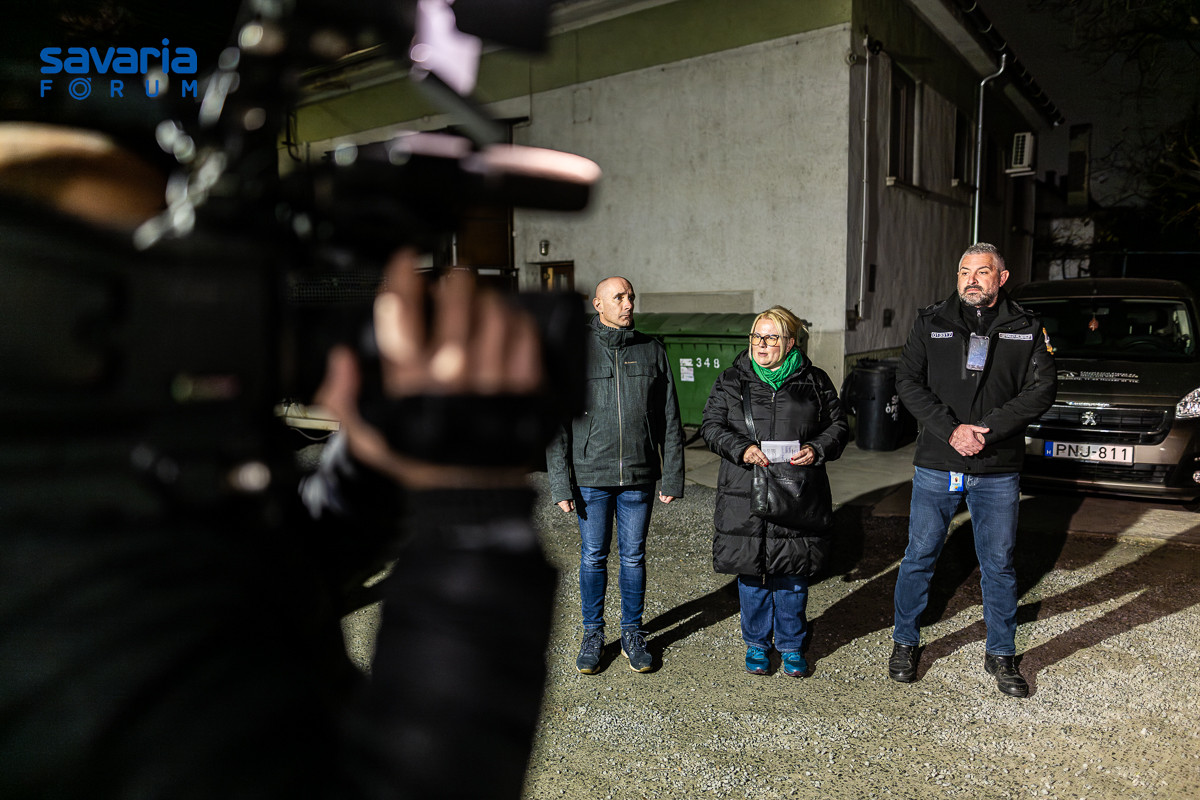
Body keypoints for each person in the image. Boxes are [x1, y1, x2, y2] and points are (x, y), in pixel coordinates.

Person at [889, 242, 1056, 698]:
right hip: (939, 460)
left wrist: (988, 429)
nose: (972, 280)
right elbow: (908, 382)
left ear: (1002, 278)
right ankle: (905, 641)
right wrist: (951, 430)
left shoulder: (1026, 326)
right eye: (965, 271)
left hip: (996, 464)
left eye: (982, 272)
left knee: (998, 563)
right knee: (920, 554)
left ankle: (1001, 652)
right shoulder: (931, 321)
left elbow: (1042, 389)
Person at [545, 276, 685, 674]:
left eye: (631, 297)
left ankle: (632, 634)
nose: (628, 304)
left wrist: (672, 475)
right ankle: (593, 633)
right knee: (593, 556)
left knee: (634, 557)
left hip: (639, 476)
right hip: (591, 477)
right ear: (598, 305)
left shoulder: (651, 350)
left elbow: (670, 418)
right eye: (619, 297)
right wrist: (560, 483)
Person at [700, 305, 848, 676]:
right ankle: (757, 643)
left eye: (771, 337)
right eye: (757, 336)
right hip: (744, 489)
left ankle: (792, 644)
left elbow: (838, 426)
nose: (761, 344)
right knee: (751, 573)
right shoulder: (731, 380)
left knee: (793, 573)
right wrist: (741, 449)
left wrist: (816, 449)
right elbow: (711, 426)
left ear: (790, 342)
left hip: (796, 490)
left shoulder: (814, 381)